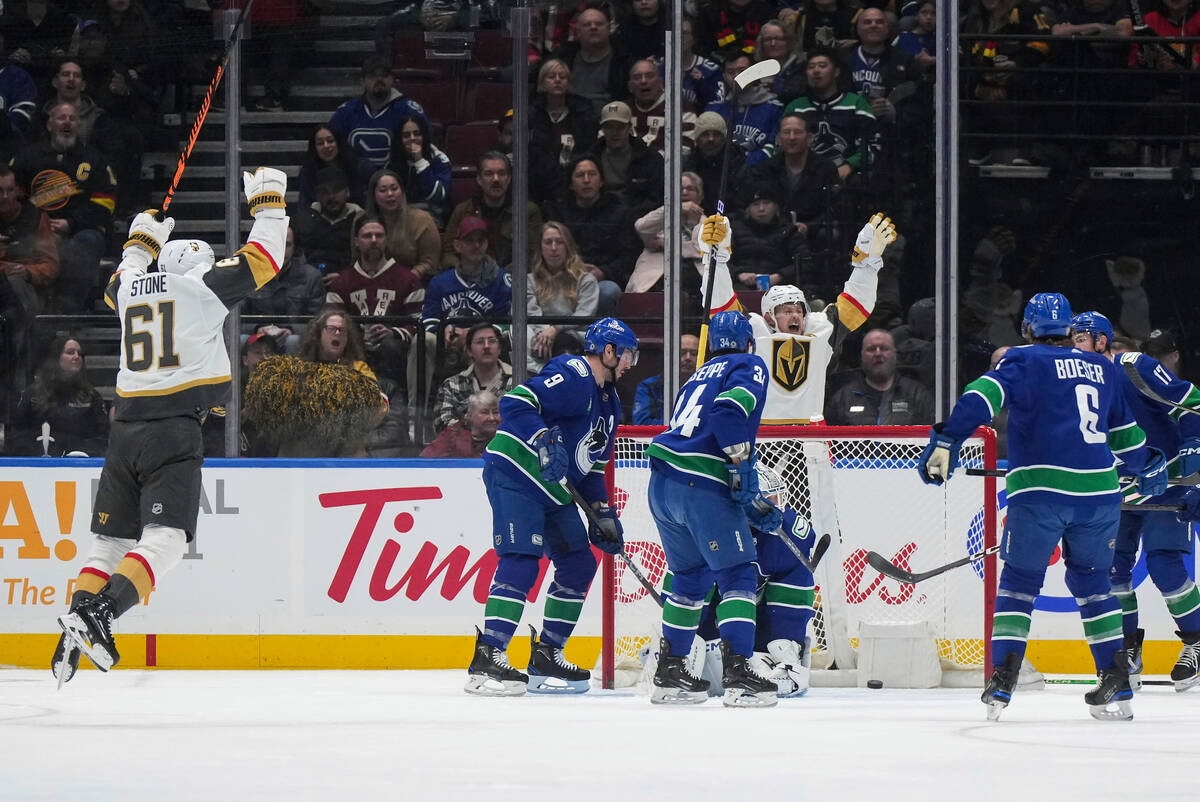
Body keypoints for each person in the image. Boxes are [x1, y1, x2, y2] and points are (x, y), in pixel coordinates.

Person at [53, 167, 289, 685]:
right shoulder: (201, 287)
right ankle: (100, 614)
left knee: (108, 543)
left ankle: (73, 626)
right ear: (203, 265)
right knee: (168, 537)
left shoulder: (133, 289)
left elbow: (118, 283)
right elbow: (263, 261)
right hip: (172, 427)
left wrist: (140, 239)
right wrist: (269, 203)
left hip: (125, 427)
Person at [917, 293, 1167, 721]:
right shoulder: (1104, 368)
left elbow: (981, 397)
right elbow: (1128, 439)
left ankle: (1004, 680)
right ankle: (1115, 680)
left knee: (1019, 582)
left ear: (1029, 328)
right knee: (1095, 584)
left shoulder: (1021, 360)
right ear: (1069, 330)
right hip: (1099, 498)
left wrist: (948, 437)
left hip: (1040, 492)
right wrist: (1151, 465)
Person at [466, 317, 637, 696]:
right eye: (627, 353)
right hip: (516, 472)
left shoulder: (609, 404)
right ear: (608, 351)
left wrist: (601, 511)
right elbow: (516, 403)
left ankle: (547, 653)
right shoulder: (574, 373)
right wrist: (542, 436)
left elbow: (590, 468)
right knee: (522, 559)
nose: (630, 362)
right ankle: (488, 656)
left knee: (579, 563)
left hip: (553, 488)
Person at [644, 309, 780, 707]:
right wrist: (741, 466)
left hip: (662, 484)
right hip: (699, 483)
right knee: (737, 572)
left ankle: (670, 673)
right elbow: (726, 412)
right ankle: (739, 673)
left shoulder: (695, 377)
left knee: (689, 577)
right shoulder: (749, 364)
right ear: (750, 343)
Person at [1071, 311, 1200, 693]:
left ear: (1101, 341)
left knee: (1164, 567)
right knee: (1112, 572)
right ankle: (1128, 649)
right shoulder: (1073, 382)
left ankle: (1196, 641)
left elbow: (1191, 404)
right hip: (1117, 488)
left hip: (1167, 482)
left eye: (1080, 341)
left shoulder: (1135, 367)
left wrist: (1195, 469)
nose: (1074, 351)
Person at [699, 211, 897, 424]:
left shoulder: (820, 331)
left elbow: (857, 304)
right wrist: (716, 260)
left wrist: (867, 263)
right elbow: (720, 305)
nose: (795, 315)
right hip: (761, 436)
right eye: (786, 311)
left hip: (810, 438)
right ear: (768, 318)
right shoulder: (753, 330)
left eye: (798, 310)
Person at [12, 101, 116, 313]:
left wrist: (71, 223)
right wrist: (39, 225)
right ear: (49, 124)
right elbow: (11, 198)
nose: (67, 122)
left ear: (79, 126)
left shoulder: (94, 160)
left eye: (72, 118)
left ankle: (67, 312)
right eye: (61, 118)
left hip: (79, 232)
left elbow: (106, 201)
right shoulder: (26, 158)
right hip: (33, 230)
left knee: (87, 242)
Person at [542, 156, 640, 315]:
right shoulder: (558, 212)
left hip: (604, 279)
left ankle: (601, 338)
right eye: (580, 175)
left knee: (607, 292)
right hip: (564, 278)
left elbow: (629, 255)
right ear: (571, 184)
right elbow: (549, 250)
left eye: (592, 174)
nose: (586, 180)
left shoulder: (619, 212)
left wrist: (604, 272)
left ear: (601, 181)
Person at [784, 48, 880, 182]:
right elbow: (783, 146)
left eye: (822, 66)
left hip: (846, 180)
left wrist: (849, 165)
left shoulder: (855, 103)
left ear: (836, 72)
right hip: (803, 178)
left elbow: (872, 145)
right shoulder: (796, 107)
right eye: (811, 67)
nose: (816, 70)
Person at [9, 334, 108, 457]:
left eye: (79, 353)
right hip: (36, 464)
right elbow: (16, 434)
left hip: (79, 465)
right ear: (56, 357)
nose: (77, 356)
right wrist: (36, 450)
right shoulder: (33, 394)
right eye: (70, 352)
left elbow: (103, 436)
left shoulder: (91, 396)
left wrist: (82, 450)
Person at [443, 151, 542, 271]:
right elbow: (448, 252)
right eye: (489, 174)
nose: (496, 179)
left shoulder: (527, 211)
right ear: (479, 179)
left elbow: (532, 255)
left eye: (501, 173)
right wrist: (465, 272)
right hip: (469, 279)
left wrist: (500, 278)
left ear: (509, 178)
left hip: (512, 281)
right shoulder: (463, 211)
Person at [526, 221, 600, 374]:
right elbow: (530, 314)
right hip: (539, 338)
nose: (554, 248)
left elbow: (584, 315)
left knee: (565, 342)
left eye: (560, 242)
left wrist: (555, 329)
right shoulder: (528, 281)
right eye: (548, 242)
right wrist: (544, 335)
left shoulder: (586, 280)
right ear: (540, 247)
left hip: (575, 337)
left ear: (568, 247)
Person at [328, 55, 428, 168]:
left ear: (392, 79)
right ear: (362, 81)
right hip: (354, 182)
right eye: (372, 76)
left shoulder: (409, 110)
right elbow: (330, 146)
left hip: (399, 182)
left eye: (384, 75)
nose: (379, 80)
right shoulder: (346, 111)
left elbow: (425, 148)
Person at [0, 163, 59, 354]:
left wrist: (27, 271)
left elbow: (51, 265)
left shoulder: (34, 217)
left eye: (9, 190)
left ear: (17, 190)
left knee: (13, 285)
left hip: (27, 289)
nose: (5, 197)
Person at [825, 328, 934, 425]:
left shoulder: (917, 394)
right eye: (871, 349)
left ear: (895, 355)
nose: (878, 354)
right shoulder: (842, 399)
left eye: (884, 348)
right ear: (861, 356)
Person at [527, 58, 599, 204]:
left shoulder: (584, 112)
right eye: (552, 77)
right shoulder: (531, 114)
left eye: (562, 76)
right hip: (541, 182)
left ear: (568, 82)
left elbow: (589, 148)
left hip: (575, 178)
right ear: (542, 83)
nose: (558, 80)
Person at [627, 172, 706, 296]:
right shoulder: (660, 219)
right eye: (680, 189)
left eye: (690, 189)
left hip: (695, 282)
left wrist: (665, 243)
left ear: (699, 196)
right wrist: (674, 208)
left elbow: (701, 251)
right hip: (656, 280)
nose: (684, 193)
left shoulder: (711, 224)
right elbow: (640, 227)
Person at [585, 100, 665, 219]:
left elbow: (656, 198)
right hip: (598, 216)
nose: (615, 132)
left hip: (639, 218)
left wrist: (629, 216)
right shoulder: (590, 158)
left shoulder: (651, 159)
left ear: (629, 128)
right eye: (609, 127)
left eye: (620, 127)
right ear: (602, 129)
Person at [432, 321, 513, 434]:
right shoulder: (451, 385)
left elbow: (524, 421)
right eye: (480, 342)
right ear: (469, 350)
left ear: (499, 348)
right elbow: (441, 424)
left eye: (491, 341)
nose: (486, 346)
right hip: (461, 449)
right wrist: (475, 434)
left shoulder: (517, 381)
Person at [704, 53, 784, 167]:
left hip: (760, 175)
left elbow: (775, 148)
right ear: (724, 76)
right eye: (731, 72)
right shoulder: (714, 110)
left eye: (742, 71)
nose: (737, 76)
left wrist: (744, 164)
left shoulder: (774, 109)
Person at [363, 168, 441, 282]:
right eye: (383, 190)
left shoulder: (422, 220)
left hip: (414, 282)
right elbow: (358, 260)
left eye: (394, 189)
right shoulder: (363, 221)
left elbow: (430, 261)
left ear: (402, 191)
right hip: (373, 280)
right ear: (373, 195)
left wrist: (409, 278)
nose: (390, 194)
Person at [292, 167, 363, 279]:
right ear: (317, 195)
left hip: (351, 282)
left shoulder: (361, 221)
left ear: (347, 192)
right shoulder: (303, 220)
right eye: (325, 192)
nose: (331, 197)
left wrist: (344, 277)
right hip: (308, 283)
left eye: (336, 190)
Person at [386, 113, 451, 226]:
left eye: (417, 134)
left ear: (424, 136)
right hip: (399, 217)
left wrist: (420, 161)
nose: (412, 138)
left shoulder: (439, 159)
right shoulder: (392, 163)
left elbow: (437, 196)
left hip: (431, 218)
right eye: (406, 135)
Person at [627, 59, 697, 154]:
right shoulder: (623, 110)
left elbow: (685, 148)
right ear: (630, 86)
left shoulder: (680, 107)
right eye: (637, 77)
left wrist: (653, 163)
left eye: (649, 76)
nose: (643, 81)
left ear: (660, 82)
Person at [632, 332, 700, 425]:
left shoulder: (709, 386)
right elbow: (641, 424)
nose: (688, 358)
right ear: (671, 355)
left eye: (694, 353)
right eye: (682, 352)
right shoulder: (649, 387)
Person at [297, 125, 371, 207]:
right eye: (320, 143)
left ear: (338, 142)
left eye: (330, 141)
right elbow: (305, 205)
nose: (326, 146)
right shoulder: (308, 172)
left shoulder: (359, 167)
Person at [421, 389, 501, 459]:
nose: (492, 418)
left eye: (495, 412)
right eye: (485, 412)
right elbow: (424, 462)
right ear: (470, 415)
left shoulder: (505, 437)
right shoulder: (453, 434)